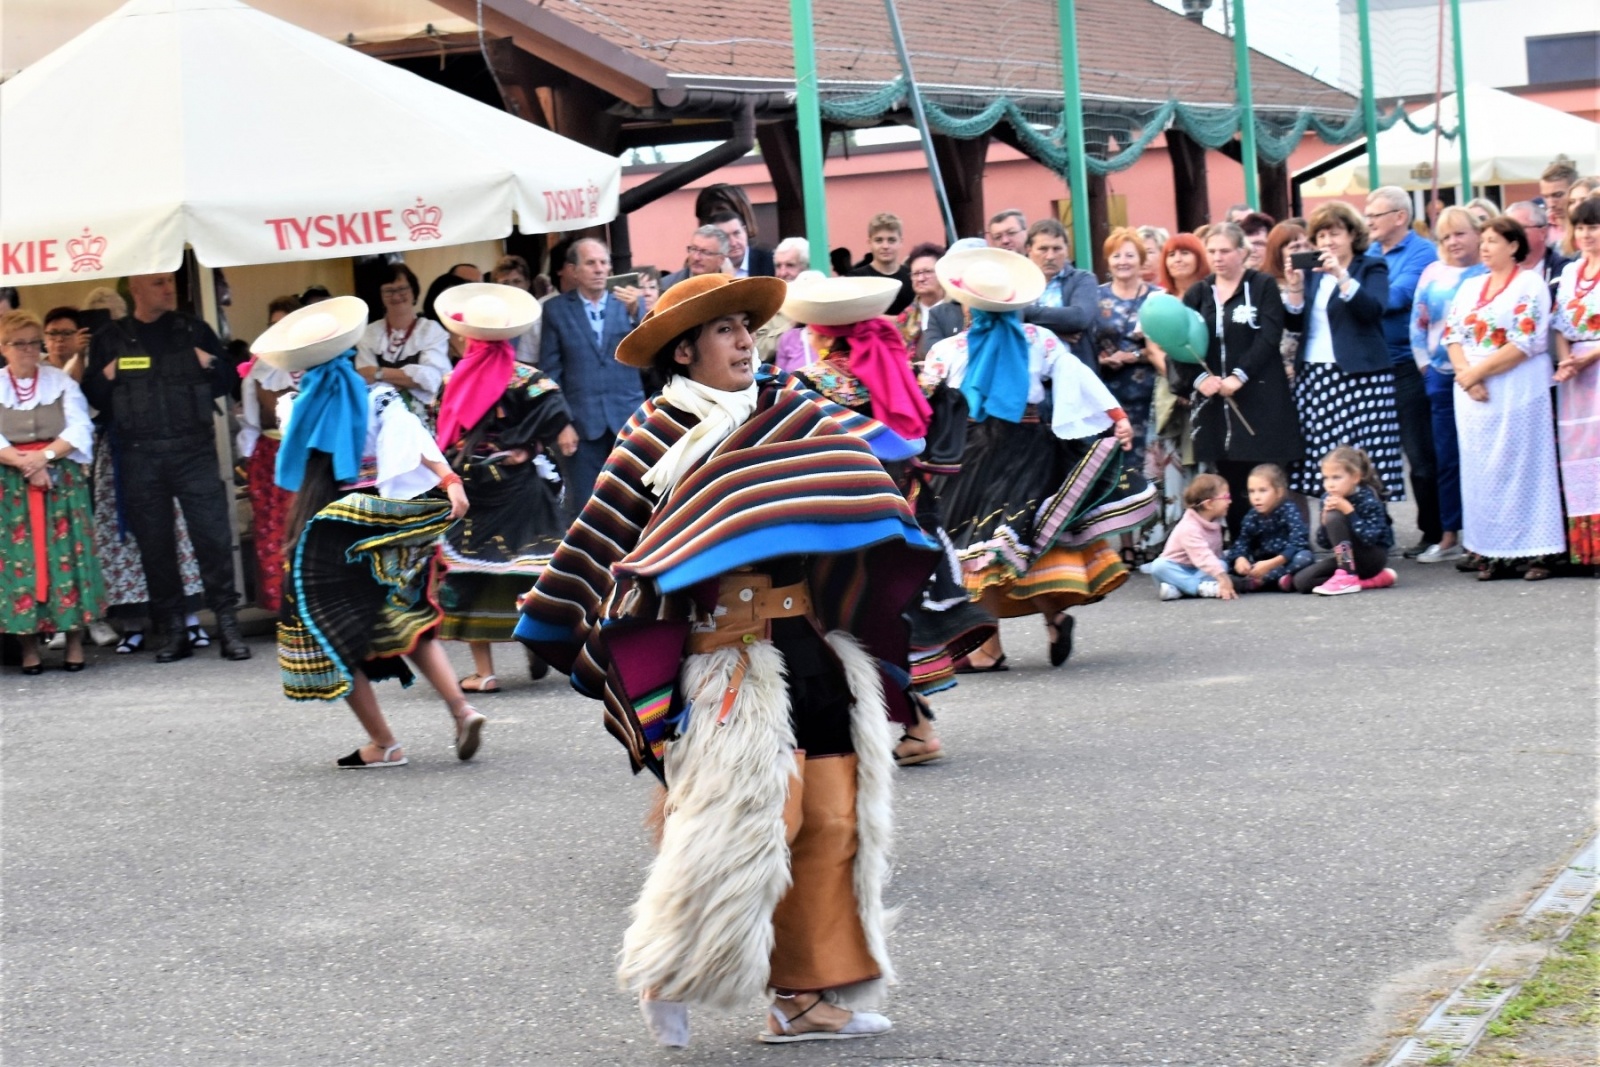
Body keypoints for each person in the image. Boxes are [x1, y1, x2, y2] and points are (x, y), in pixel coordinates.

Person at [515, 272, 938, 1047]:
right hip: (722, 654)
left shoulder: (798, 412)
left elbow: (866, 488)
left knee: (833, 816)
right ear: (685, 348)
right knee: (739, 822)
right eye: (725, 330)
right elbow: (604, 549)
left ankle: (802, 998)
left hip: (808, 641)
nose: (746, 341)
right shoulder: (653, 433)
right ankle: (667, 969)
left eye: (749, 326)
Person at [262, 296, 484, 768]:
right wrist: (449, 480)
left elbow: (301, 466)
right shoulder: (377, 396)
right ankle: (461, 709)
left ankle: (385, 743)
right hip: (379, 518)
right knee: (405, 617)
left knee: (329, 631)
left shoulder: (293, 407)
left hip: (325, 524)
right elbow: (413, 440)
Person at [782, 272, 995, 752]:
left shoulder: (814, 383)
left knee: (850, 615)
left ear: (818, 333)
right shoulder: (899, 367)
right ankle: (913, 724)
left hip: (845, 514)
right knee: (891, 612)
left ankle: (907, 726)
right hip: (906, 504)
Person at [925, 247, 1151, 671]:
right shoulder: (1038, 339)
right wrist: (1116, 416)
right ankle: (1054, 616)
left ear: (967, 303)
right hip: (1030, 444)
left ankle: (988, 649)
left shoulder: (948, 350)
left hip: (973, 452)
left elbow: (930, 404)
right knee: (1033, 537)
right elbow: (1076, 377)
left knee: (978, 546)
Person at [81, 273, 249, 662]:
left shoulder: (194, 329)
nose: (168, 289)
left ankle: (227, 624)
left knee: (213, 539)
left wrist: (210, 364)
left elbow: (226, 382)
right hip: (139, 454)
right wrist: (106, 375)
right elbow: (91, 397)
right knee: (155, 547)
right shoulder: (111, 337)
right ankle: (174, 630)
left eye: (169, 282)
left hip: (193, 451)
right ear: (135, 289)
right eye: (157, 283)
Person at [431, 283, 577, 693]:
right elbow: (556, 410)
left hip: (474, 487)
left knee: (470, 576)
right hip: (521, 485)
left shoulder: (453, 380)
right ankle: (535, 640)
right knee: (529, 568)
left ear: (467, 336)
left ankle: (485, 672)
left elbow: (439, 431)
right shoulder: (529, 377)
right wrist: (537, 441)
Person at [1444, 215, 1565, 580]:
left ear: (1514, 246)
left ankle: (1538, 551)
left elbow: (1527, 340)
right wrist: (1467, 375)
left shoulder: (1529, 283)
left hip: (1517, 386)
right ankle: (1492, 552)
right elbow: (1452, 335)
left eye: (1494, 240)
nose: (1484, 247)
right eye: (1484, 240)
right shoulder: (1470, 286)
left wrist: (1477, 373)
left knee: (1524, 468)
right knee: (1482, 473)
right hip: (1473, 392)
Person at [1172, 223, 1302, 537]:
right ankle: (1243, 545)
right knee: (1229, 476)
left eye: (1225, 251)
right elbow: (1177, 342)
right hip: (1217, 405)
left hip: (1261, 396)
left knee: (1266, 474)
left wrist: (1239, 375)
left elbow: (1270, 334)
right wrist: (1199, 378)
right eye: (1212, 251)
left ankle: (1282, 545)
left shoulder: (1263, 286)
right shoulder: (1198, 293)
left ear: (1242, 252)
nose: (1218, 257)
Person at [0, 310, 107, 673]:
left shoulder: (60, 382)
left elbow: (79, 428)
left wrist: (43, 459)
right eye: (19, 344)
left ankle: (75, 642)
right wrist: (22, 463)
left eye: (34, 342)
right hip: (11, 487)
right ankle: (28, 647)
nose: (28, 350)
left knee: (68, 557)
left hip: (61, 482)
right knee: (19, 565)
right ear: (4, 348)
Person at [1282, 202, 1406, 509]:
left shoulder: (1370, 267)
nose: (1327, 242)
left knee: (1366, 452)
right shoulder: (1311, 274)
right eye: (1321, 236)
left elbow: (1372, 310)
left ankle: (1375, 522)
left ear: (1352, 234)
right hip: (1316, 373)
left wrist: (1341, 276)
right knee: (1326, 451)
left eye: (1334, 234)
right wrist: (1295, 289)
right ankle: (1334, 520)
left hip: (1363, 375)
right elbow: (1297, 324)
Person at [539, 237, 644, 519]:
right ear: (573, 270)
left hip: (628, 421)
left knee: (637, 502)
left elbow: (651, 356)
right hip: (581, 426)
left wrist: (639, 314)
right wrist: (561, 423)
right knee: (587, 508)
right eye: (590, 263)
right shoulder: (555, 310)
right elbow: (550, 373)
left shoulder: (630, 304)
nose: (599, 269)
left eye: (603, 262)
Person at [1408, 206, 1488, 565]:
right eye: (1446, 236)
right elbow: (1418, 321)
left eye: (1460, 233)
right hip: (1441, 374)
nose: (1453, 242)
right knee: (1446, 457)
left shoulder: (1490, 271)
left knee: (1483, 456)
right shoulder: (1433, 273)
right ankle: (1450, 533)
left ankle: (1485, 535)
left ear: (1478, 234)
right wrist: (1426, 366)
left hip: (1485, 373)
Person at [1364, 186, 1441, 557]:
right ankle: (1378, 530)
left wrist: (1360, 297)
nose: (1368, 222)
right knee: (1371, 456)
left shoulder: (1422, 252)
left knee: (1420, 455)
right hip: (1371, 364)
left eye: (1375, 215)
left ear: (1399, 216)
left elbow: (1395, 299)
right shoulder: (1368, 253)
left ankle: (1434, 530)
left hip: (1406, 364)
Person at [237, 294, 302, 612]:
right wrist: (250, 460)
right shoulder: (259, 368)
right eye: (273, 325)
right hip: (270, 455)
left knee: (311, 524)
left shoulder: (317, 363)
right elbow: (250, 419)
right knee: (273, 530)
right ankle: (284, 606)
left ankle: (316, 604)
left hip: (312, 453)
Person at [1550, 195, 1600, 570]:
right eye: (1580, 227)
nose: (1585, 234)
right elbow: (1559, 323)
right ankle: (1587, 550)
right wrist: (1566, 356)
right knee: (1579, 458)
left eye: (1593, 226)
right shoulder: (1570, 272)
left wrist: (1590, 355)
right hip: (1575, 375)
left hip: (1596, 364)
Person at [1095, 227, 1161, 481]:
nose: (1123, 261)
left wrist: (1133, 355)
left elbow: (1166, 346)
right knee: (1109, 467)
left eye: (1130, 255)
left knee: (1144, 465)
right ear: (1108, 261)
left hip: (1147, 391)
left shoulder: (1157, 297)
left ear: (1141, 259)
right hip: (1106, 393)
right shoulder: (1096, 295)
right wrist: (1100, 359)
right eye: (1116, 256)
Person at [354, 263, 451, 426]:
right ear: (380, 296)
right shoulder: (369, 333)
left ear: (414, 292)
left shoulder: (430, 330)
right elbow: (364, 377)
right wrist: (409, 379)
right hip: (381, 417)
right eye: (389, 291)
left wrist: (378, 372)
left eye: (402, 289)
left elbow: (435, 378)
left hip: (426, 419)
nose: (396, 295)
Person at [1293, 447, 1398, 594]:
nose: (1330, 484)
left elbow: (1370, 538)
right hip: (1346, 559)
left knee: (1334, 516)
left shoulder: (1368, 499)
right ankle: (1371, 581)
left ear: (1355, 477)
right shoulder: (1327, 498)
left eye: (1336, 477)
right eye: (1326, 478)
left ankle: (1347, 576)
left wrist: (1349, 512)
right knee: (1302, 582)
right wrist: (1324, 524)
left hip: (1372, 558)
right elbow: (1324, 544)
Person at [1024, 218, 1099, 371]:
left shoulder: (1083, 279)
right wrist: (1055, 332)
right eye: (1043, 249)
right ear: (1029, 250)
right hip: (1028, 374)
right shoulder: (1017, 282)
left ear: (1067, 250)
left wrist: (1026, 312)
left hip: (1074, 372)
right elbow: (1008, 324)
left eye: (1057, 249)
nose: (1050, 256)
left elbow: (1078, 318)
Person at [1225, 463, 1313, 592]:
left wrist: (1272, 564)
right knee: (1227, 557)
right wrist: (1240, 559)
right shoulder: (1252, 516)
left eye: (1263, 490)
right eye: (1251, 491)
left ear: (1279, 492)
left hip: (1285, 559)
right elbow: (1242, 541)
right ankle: (1278, 580)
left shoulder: (1289, 510)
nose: (1256, 497)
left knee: (1305, 557)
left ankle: (1261, 581)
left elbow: (1299, 542)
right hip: (1261, 562)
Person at [1147, 474, 1235, 600]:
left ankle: (1179, 589)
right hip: (1178, 568)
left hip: (1199, 570)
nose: (1230, 501)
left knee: (1222, 564)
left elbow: (1214, 556)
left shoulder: (1215, 522)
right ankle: (1199, 587)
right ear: (1209, 504)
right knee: (1158, 566)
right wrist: (1223, 578)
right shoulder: (1189, 527)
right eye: (1226, 497)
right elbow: (1202, 555)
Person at [1264, 221, 1313, 378]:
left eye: (1307, 245)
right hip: (1280, 367)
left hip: (1312, 362)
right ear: (1278, 253)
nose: (1303, 251)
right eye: (1295, 248)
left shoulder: (1318, 281)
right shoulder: (1267, 285)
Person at [847, 212, 914, 315]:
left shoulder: (912, 278)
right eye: (879, 240)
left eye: (891, 240)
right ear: (870, 243)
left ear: (901, 242)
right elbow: (852, 314)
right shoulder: (856, 279)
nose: (885, 246)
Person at [895, 242, 947, 356]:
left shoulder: (959, 311)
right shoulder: (906, 317)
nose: (920, 278)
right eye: (915, 273)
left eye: (927, 272)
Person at [490, 254, 541, 364]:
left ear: (527, 284)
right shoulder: (489, 317)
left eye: (517, 281)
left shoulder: (539, 313)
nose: (512, 287)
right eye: (505, 283)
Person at [1507, 200, 1568, 292]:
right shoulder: (1497, 271)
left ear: (1543, 232)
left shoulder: (1564, 269)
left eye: (1520, 228)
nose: (1513, 235)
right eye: (1508, 230)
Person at [659, 225, 731, 291]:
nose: (696, 257)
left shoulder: (731, 289)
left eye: (705, 252)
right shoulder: (665, 287)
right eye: (694, 249)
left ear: (721, 259)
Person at [706, 210, 775, 278]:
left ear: (745, 231)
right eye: (725, 237)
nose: (733, 243)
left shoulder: (770, 261)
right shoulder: (711, 268)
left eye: (736, 233)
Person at [1541, 159, 1579, 250]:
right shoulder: (1540, 226)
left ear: (1574, 191)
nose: (1551, 204)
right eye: (1546, 197)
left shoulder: (1591, 225)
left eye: (1558, 195)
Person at [42, 307, 88, 383]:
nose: (59, 339)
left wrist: (80, 356)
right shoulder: (34, 364)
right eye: (53, 333)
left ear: (80, 334)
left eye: (67, 333)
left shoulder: (88, 364)